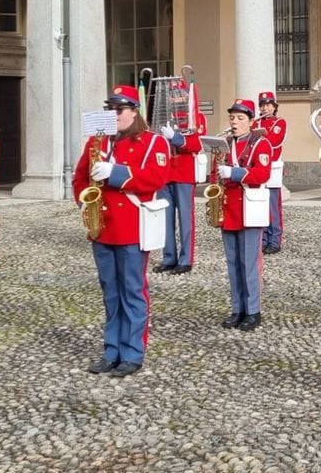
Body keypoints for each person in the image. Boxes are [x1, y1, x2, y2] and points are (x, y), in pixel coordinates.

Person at [73, 84, 171, 377]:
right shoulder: (97, 142)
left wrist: (115, 173)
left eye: (119, 110)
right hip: (102, 228)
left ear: (134, 111)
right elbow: (79, 177)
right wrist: (82, 201)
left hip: (131, 228)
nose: (114, 115)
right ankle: (111, 350)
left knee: (132, 291)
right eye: (111, 110)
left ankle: (132, 352)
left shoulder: (153, 142)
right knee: (110, 292)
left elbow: (155, 177)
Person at [214, 99, 272, 331]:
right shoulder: (226, 143)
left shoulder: (261, 143)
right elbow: (217, 174)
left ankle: (253, 310)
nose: (234, 122)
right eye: (232, 118)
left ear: (251, 121)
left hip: (249, 208)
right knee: (233, 264)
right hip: (229, 210)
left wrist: (235, 172)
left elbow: (262, 174)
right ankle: (237, 308)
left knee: (249, 264)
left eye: (240, 118)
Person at [155, 92, 207, 275]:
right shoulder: (165, 116)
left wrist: (176, 138)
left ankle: (186, 260)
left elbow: (197, 144)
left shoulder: (195, 116)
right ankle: (169, 257)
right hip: (165, 172)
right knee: (165, 219)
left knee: (185, 219)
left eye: (178, 96)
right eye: (172, 96)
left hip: (184, 173)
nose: (174, 100)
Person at [253, 91, 287, 254]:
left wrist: (258, 139)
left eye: (268, 105)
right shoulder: (255, 124)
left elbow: (274, 142)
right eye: (263, 105)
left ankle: (275, 240)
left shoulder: (280, 122)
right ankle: (263, 239)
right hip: (258, 167)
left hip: (272, 167)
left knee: (273, 206)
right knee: (260, 204)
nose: (265, 108)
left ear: (274, 107)